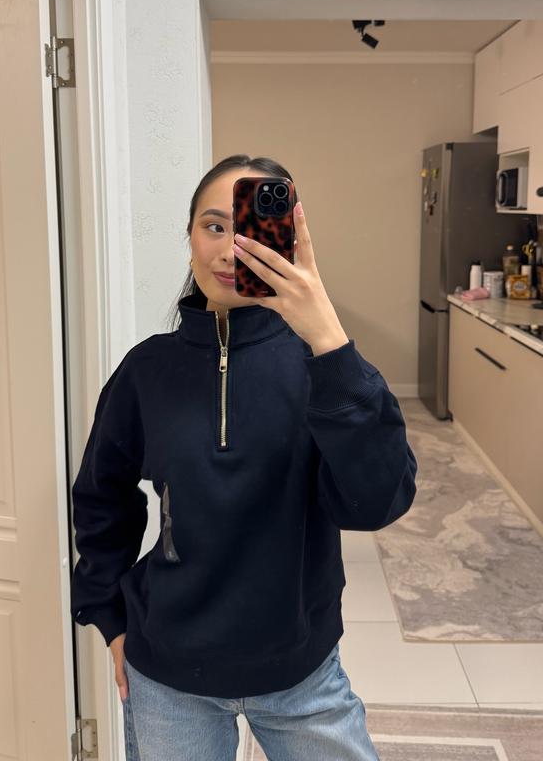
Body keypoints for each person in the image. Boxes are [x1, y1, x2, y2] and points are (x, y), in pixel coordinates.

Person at [70, 154, 418, 761]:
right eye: (214, 226)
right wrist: (110, 617)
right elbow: (103, 496)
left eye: (252, 230)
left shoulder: (322, 366)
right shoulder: (146, 371)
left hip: (301, 674)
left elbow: (376, 502)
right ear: (189, 240)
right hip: (167, 676)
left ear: (289, 243)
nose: (232, 250)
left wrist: (328, 339)